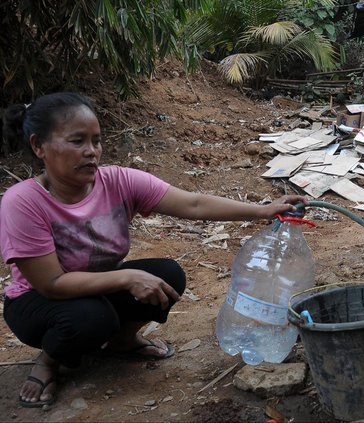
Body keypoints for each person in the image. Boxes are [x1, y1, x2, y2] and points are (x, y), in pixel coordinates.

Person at [0, 92, 307, 408]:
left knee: (167, 274)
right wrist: (127, 277)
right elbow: (51, 284)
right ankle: (50, 361)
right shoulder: (22, 202)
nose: (91, 152)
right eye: (78, 141)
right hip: (37, 301)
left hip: (94, 286)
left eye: (96, 140)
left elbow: (193, 203)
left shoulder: (117, 181)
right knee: (93, 318)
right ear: (39, 147)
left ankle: (123, 341)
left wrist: (263, 210)